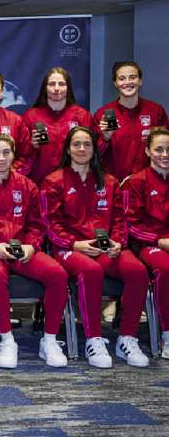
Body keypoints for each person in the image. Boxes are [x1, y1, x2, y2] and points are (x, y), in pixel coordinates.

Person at [40, 126, 150, 368]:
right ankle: (94, 339)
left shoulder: (109, 182)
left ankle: (127, 338)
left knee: (138, 271)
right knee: (90, 271)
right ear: (68, 149)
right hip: (69, 249)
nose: (81, 149)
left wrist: (117, 243)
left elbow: (120, 219)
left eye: (87, 144)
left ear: (94, 149)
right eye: (76, 144)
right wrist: (74, 244)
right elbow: (50, 223)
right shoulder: (54, 181)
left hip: (106, 249)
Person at [0, 134, 69, 368]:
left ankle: (49, 340)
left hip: (22, 250)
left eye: (6, 153)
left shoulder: (27, 186)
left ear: (13, 155)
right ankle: (7, 340)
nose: (1, 158)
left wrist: (31, 245)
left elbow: (38, 224)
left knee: (57, 274)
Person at [122, 126, 169, 359]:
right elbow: (130, 225)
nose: (164, 154)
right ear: (148, 152)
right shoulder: (136, 182)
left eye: (168, 149)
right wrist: (160, 241)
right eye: (159, 149)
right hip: (148, 244)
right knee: (165, 269)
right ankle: (167, 335)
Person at [94, 61, 168, 182]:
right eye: (122, 78)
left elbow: (165, 150)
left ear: (140, 81)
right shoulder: (102, 114)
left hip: (149, 185)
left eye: (132, 77)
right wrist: (105, 138)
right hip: (114, 185)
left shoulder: (156, 111)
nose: (127, 82)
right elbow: (92, 155)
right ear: (115, 83)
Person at [23, 67, 94, 184]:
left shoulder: (82, 116)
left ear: (68, 88)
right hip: (39, 183)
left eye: (61, 84)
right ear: (45, 88)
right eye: (52, 84)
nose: (56, 88)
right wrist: (32, 146)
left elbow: (92, 151)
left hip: (73, 184)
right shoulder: (30, 116)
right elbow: (20, 154)